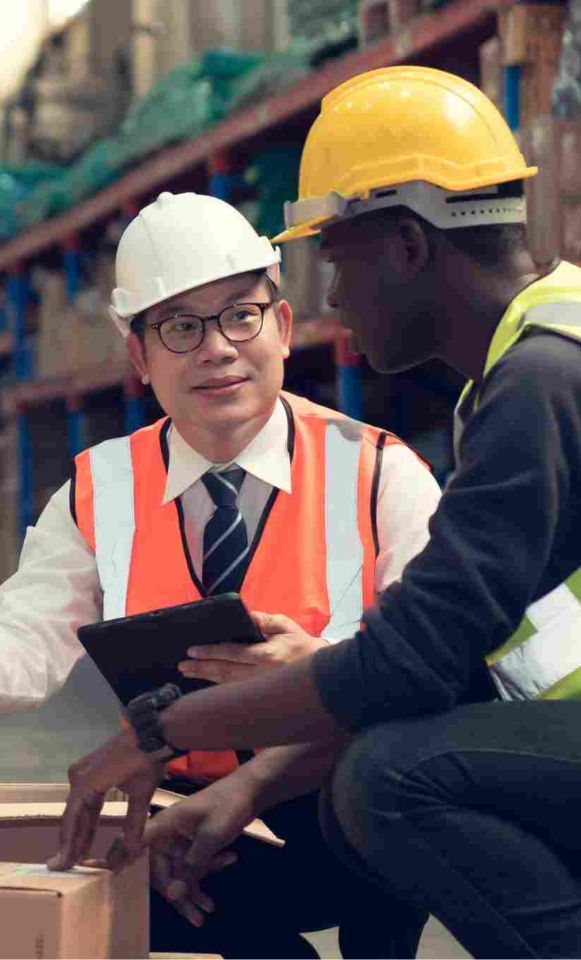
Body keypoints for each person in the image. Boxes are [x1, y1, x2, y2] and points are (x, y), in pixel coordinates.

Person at [49, 66, 581, 959]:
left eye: (335, 259)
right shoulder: (547, 353)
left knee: (392, 778)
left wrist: (160, 730)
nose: (329, 299)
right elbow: (446, 668)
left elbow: (407, 665)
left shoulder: (543, 383)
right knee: (385, 761)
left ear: (406, 246)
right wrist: (240, 790)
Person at [0, 190, 441, 958]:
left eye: (241, 315)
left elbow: (441, 672)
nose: (217, 348)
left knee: (394, 782)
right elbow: (24, 640)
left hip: (335, 799)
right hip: (183, 808)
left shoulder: (379, 473)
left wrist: (326, 672)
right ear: (139, 356)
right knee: (125, 870)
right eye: (180, 326)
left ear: (283, 325)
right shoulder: (102, 488)